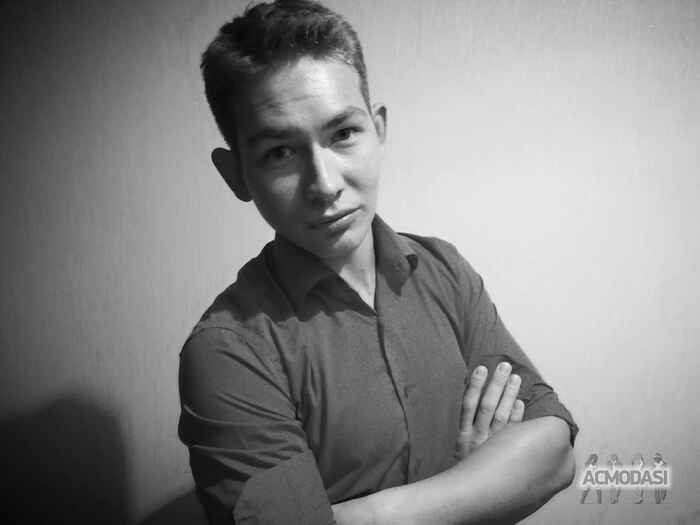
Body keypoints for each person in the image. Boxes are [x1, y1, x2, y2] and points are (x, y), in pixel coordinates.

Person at [177, 1, 579, 523]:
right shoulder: (228, 353)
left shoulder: (444, 270)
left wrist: (355, 514)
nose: (325, 184)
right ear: (236, 175)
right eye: (280, 152)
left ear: (378, 128)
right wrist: (482, 484)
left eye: (343, 133)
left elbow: (555, 453)